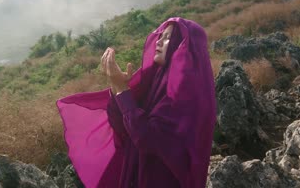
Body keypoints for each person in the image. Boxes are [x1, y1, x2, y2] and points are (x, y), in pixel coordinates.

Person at [56, 17, 216, 187]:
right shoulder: (157, 82)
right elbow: (127, 129)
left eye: (167, 37)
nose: (159, 41)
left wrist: (121, 88)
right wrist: (117, 86)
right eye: (160, 35)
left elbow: (147, 138)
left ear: (183, 46)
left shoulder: (186, 93)